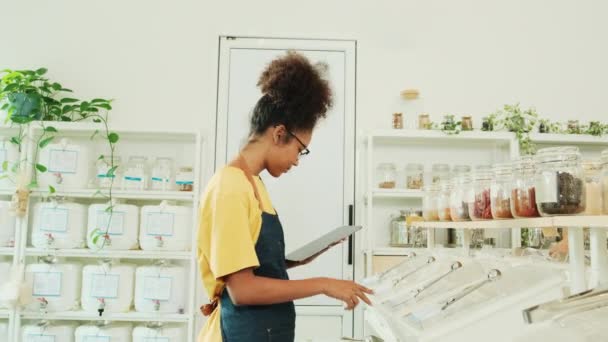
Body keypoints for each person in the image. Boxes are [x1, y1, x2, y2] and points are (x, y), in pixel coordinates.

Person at [197, 51, 373, 342]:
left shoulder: (253, 183)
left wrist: (296, 260)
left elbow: (251, 262)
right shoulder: (229, 187)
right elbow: (243, 290)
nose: (297, 160)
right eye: (300, 149)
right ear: (279, 134)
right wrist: (324, 284)